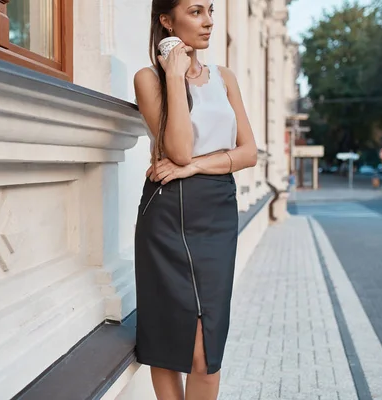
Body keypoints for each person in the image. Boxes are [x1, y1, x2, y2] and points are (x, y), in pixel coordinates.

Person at [133, 1, 258, 399]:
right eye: (195, 12)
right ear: (166, 21)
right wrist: (173, 72)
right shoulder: (148, 79)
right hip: (168, 214)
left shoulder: (224, 77)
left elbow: (249, 152)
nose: (208, 22)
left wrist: (193, 168)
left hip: (217, 213)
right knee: (169, 341)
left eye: (209, 11)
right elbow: (179, 149)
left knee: (207, 345)